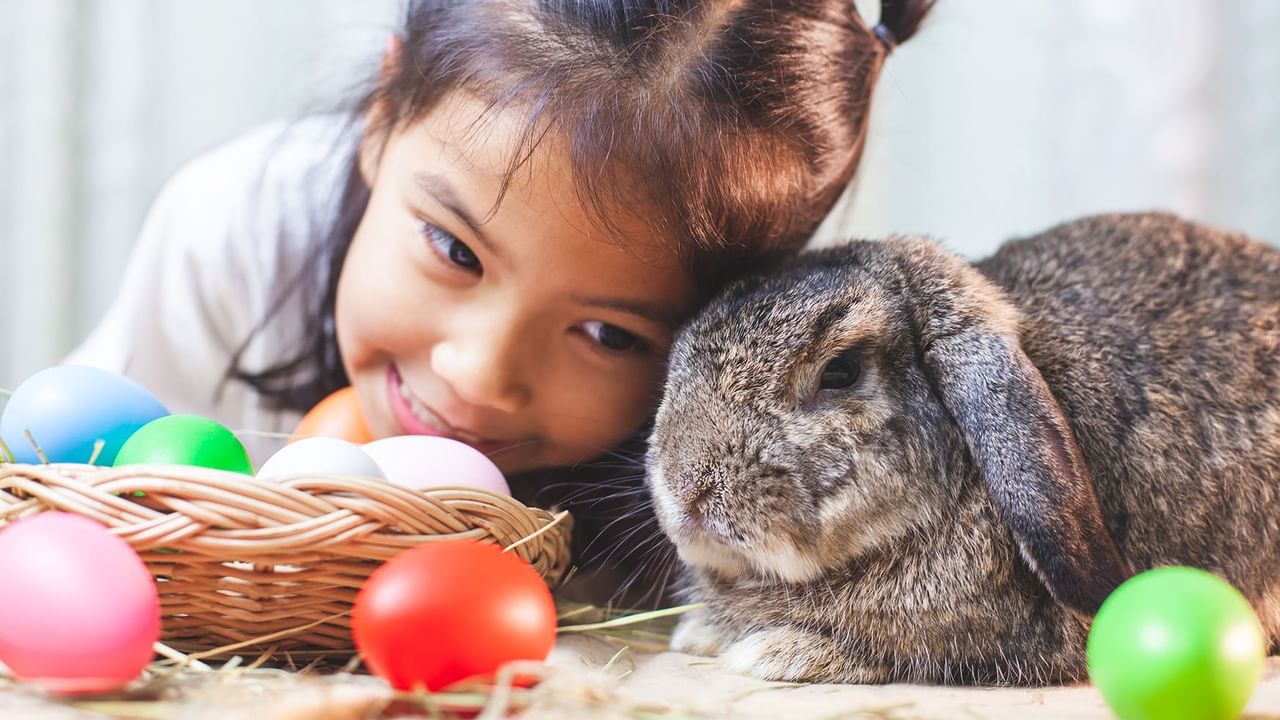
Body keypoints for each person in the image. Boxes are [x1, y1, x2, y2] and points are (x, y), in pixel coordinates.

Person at [67, 0, 933, 603]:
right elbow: (90, 509)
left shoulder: (717, 492)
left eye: (609, 334)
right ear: (383, 114)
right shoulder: (240, 232)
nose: (477, 376)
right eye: (454, 250)